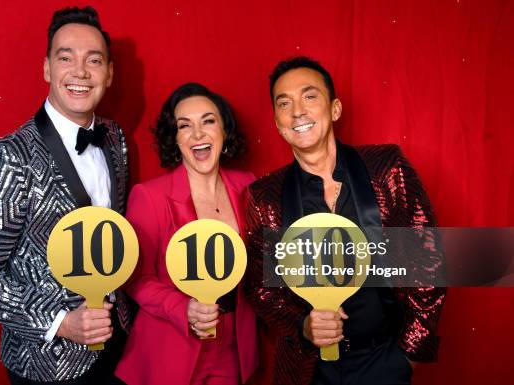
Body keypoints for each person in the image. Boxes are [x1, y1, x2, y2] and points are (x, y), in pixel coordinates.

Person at [0, 6, 131, 385]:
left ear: (109, 74)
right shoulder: (10, 156)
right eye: (66, 58)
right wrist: (60, 322)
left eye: (93, 60)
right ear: (47, 68)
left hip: (118, 342)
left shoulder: (115, 139)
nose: (80, 72)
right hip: (46, 363)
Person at [243, 57, 446, 385]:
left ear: (335, 109)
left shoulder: (386, 168)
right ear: (277, 121)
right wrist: (302, 326)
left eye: (310, 97)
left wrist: (407, 356)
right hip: (308, 369)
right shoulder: (264, 195)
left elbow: (428, 260)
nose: (297, 111)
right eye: (285, 103)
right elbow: (259, 286)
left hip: (382, 360)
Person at [115, 83, 258, 385]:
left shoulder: (248, 187)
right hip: (170, 346)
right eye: (184, 126)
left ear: (224, 130)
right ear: (175, 139)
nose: (198, 134)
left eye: (208, 121)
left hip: (232, 346)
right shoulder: (149, 196)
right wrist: (183, 309)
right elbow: (134, 277)